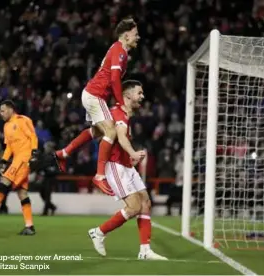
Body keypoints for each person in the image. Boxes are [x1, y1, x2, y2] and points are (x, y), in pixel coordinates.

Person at [54, 17, 140, 195]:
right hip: (95, 94)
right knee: (111, 131)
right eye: (135, 34)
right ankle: (100, 176)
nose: (138, 37)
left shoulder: (121, 51)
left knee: (98, 131)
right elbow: (115, 78)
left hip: (94, 94)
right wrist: (119, 102)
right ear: (126, 35)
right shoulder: (119, 51)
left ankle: (63, 153)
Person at [88, 80, 167, 260]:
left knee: (145, 202)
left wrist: (130, 157)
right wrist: (132, 152)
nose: (142, 97)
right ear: (127, 95)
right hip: (115, 166)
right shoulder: (118, 114)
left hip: (126, 165)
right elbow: (122, 137)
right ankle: (99, 232)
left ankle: (145, 250)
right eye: (139, 93)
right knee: (134, 207)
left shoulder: (124, 115)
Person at [0, 100, 38, 235]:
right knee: (22, 193)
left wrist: (34, 152)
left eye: (2, 110)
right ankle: (29, 226)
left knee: (4, 184)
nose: (1, 113)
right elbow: (9, 147)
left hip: (24, 159)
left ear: (10, 109)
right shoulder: (6, 126)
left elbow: (33, 136)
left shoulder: (23, 120)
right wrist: (3, 160)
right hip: (15, 160)